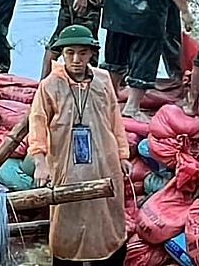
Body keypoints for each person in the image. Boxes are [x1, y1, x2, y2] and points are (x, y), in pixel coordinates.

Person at [28, 25, 130, 266]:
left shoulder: (103, 79)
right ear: (62, 53)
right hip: (66, 165)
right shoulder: (50, 85)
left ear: (91, 54)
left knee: (107, 217)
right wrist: (40, 163)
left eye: (83, 53)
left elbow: (115, 119)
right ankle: (66, 259)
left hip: (104, 163)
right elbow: (38, 124)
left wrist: (123, 155)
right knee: (67, 218)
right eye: (70, 52)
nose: (76, 59)